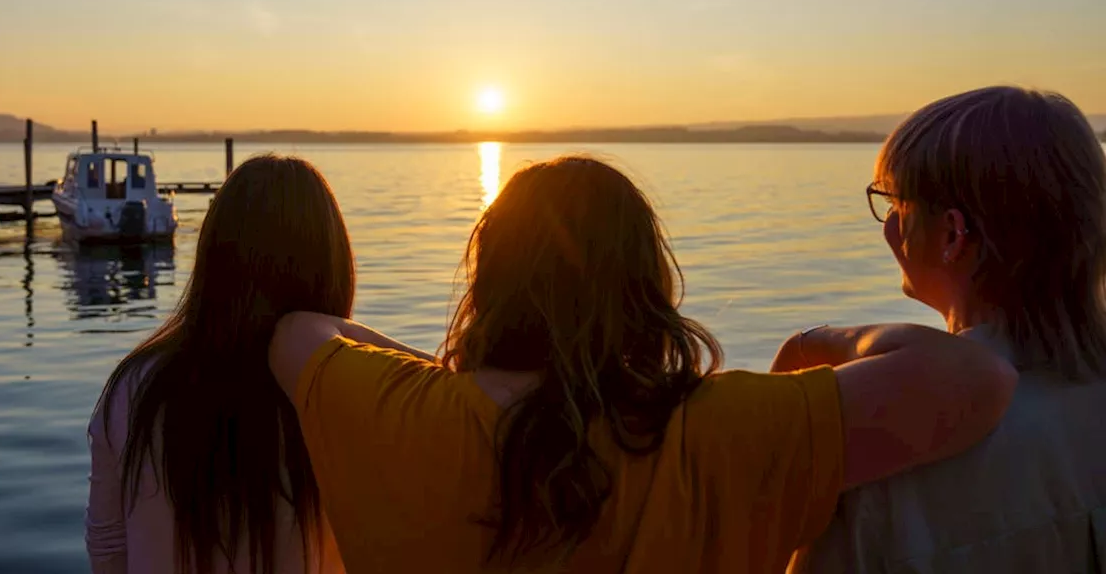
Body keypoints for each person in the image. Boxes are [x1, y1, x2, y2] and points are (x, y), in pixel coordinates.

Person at [268, 155, 1018, 574]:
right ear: (646, 288)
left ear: (488, 279)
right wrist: (814, 341)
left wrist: (439, 375)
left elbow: (299, 330)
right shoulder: (725, 429)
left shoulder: (390, 408)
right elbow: (976, 379)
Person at [782, 86, 1106, 573]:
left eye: (894, 204)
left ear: (953, 235)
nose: (888, 225)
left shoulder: (885, 451)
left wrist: (806, 353)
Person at [84, 154, 430, 574]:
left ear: (213, 256)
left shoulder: (133, 387)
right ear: (331, 264)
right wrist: (339, 331)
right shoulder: (342, 391)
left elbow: (107, 550)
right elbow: (449, 383)